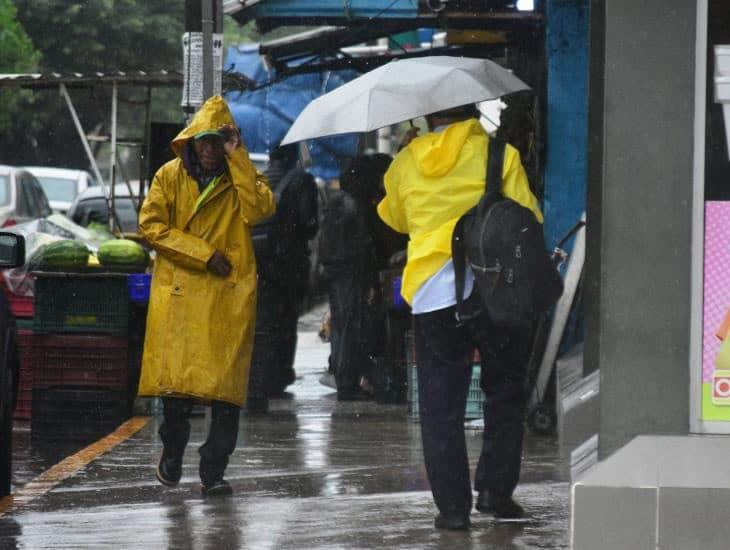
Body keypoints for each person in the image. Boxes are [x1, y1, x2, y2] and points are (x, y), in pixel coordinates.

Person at [377, 104, 542, 529]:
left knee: (440, 405)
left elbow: (394, 217)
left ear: (430, 118)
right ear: (471, 111)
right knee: (504, 392)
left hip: (434, 295)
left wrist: (411, 162)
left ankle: (453, 512)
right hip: (494, 292)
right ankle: (495, 491)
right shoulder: (499, 154)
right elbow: (530, 217)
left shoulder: (407, 160)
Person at [137, 95, 275, 497]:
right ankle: (173, 452)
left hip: (227, 298)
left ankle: (214, 471)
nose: (211, 150)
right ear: (192, 141)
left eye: (220, 141)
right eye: (205, 141)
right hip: (182, 294)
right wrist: (203, 254)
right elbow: (152, 225)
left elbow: (262, 208)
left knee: (226, 396)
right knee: (177, 392)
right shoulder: (168, 176)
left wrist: (240, 157)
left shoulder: (241, 177)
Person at [247, 143, 319, 410]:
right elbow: (309, 223)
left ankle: (259, 380)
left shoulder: (262, 177)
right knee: (286, 321)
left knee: (263, 321)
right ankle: (277, 376)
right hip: (289, 264)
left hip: (260, 261)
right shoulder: (302, 181)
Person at [319, 154, 393, 400]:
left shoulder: (337, 201)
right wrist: (371, 281)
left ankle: (345, 380)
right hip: (352, 275)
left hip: (336, 273)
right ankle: (348, 385)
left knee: (342, 328)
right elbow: (364, 248)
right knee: (352, 327)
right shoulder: (356, 206)